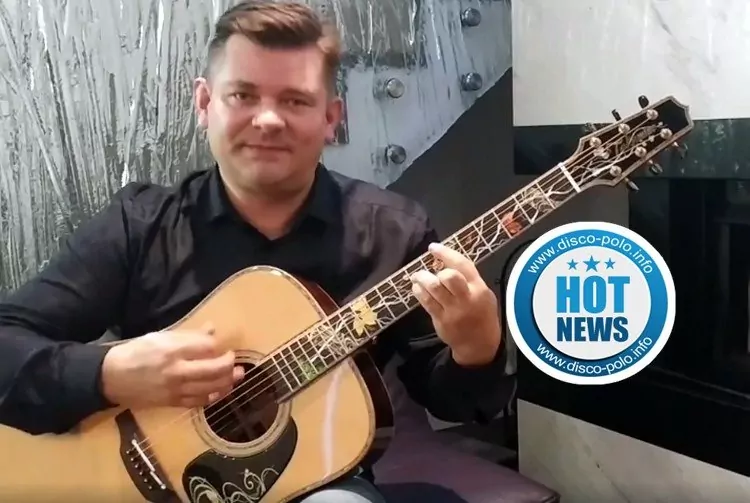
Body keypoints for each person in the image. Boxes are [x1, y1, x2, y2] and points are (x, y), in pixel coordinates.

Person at [0, 1, 513, 501]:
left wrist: (476, 347)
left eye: (295, 101)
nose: (267, 120)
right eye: (242, 95)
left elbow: (455, 402)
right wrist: (111, 375)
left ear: (331, 118)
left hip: (318, 485)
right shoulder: (140, 225)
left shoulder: (393, 233)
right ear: (205, 103)